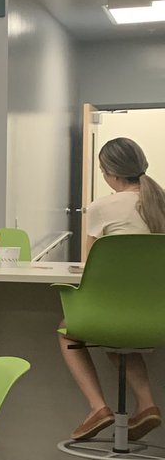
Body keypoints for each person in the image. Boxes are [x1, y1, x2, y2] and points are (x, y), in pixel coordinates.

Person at [61, 137, 165, 441]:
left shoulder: (101, 207)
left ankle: (97, 407)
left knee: (71, 330)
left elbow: (90, 265)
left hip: (112, 314)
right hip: (156, 316)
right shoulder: (159, 202)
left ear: (109, 172)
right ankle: (147, 404)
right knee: (121, 337)